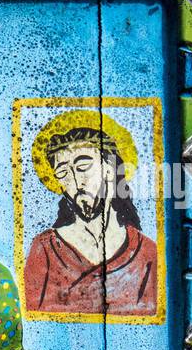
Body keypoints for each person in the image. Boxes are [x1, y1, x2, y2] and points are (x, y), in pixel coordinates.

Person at [23, 119, 158, 316]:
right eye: (62, 172)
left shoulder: (146, 252)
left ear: (110, 169)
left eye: (83, 166)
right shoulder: (45, 249)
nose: (76, 181)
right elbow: (32, 318)